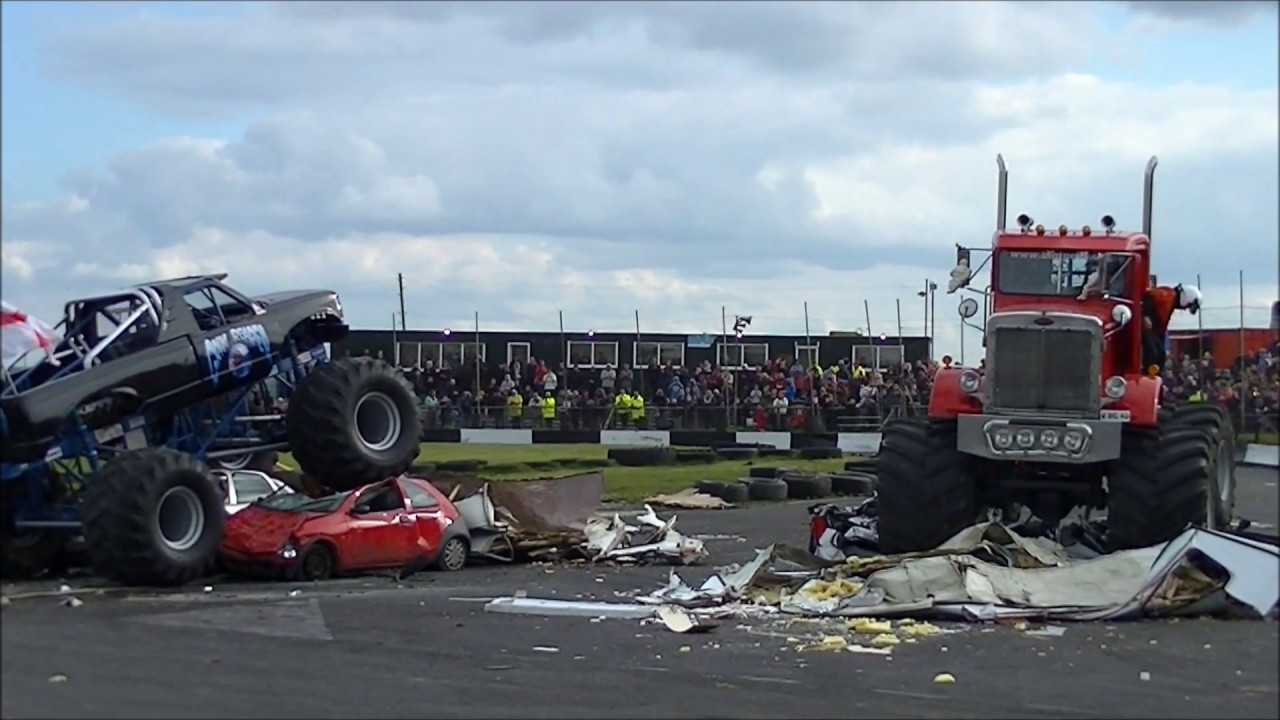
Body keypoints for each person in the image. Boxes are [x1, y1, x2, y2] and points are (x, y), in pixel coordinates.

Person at [1141, 283, 1202, 371]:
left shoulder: (1171, 303)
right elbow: (1149, 296)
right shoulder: (1169, 295)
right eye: (1188, 306)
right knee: (1154, 353)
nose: (1185, 308)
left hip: (1151, 329)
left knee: (1160, 354)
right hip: (1145, 327)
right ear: (1187, 297)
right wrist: (1145, 315)